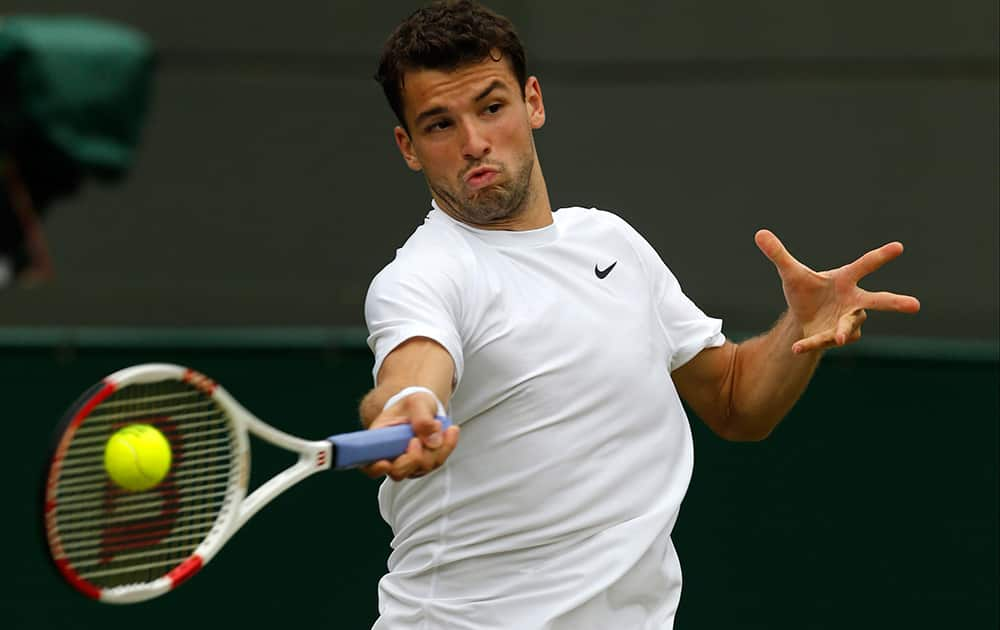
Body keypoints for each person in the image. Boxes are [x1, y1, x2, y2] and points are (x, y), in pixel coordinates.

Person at [358, 2, 920, 628]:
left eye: (492, 107)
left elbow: (735, 401)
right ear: (409, 147)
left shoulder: (610, 242)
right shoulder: (421, 276)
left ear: (533, 103)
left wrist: (799, 330)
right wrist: (411, 403)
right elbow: (415, 365)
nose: (474, 143)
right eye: (439, 125)